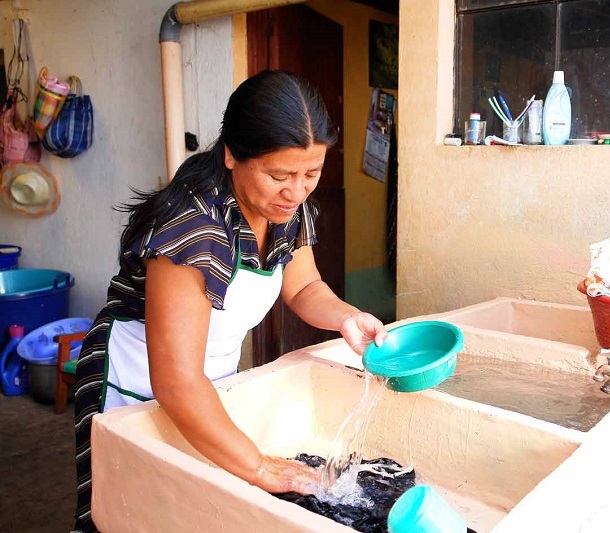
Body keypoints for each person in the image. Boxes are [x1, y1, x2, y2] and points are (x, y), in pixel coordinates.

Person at [71, 70, 387, 532]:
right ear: (232, 154)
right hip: (134, 374)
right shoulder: (194, 226)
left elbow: (303, 287)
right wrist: (259, 467)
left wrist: (347, 318)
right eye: (279, 175)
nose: (296, 191)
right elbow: (176, 381)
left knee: (196, 505)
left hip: (207, 379)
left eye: (311, 174)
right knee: (129, 510)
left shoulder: (288, 212)